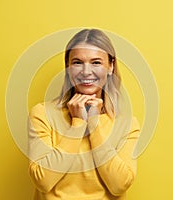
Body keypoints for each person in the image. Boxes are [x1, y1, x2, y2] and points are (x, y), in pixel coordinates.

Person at [28, 28, 140, 199]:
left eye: (96, 63)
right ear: (67, 67)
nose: (86, 71)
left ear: (110, 66)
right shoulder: (42, 114)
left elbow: (119, 185)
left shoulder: (127, 124)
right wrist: (78, 124)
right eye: (77, 62)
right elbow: (43, 180)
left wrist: (94, 123)